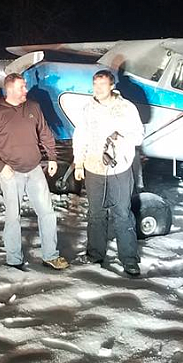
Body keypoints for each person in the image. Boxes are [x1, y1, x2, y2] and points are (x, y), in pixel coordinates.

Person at [0, 72, 69, 270]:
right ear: (10, 89)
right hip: (11, 173)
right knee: (13, 217)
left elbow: (45, 133)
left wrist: (52, 157)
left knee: (47, 213)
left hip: (35, 169)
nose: (26, 90)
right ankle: (14, 260)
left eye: (25, 86)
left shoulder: (33, 107)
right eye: (22, 87)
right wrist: (1, 166)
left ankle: (50, 255)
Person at [73, 70, 144, 276]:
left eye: (102, 84)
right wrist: (79, 163)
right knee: (96, 213)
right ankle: (95, 254)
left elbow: (139, 135)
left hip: (119, 168)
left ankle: (129, 259)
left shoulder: (126, 108)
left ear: (112, 86)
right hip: (94, 167)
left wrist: (120, 138)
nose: (98, 89)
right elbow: (80, 137)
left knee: (122, 214)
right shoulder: (87, 109)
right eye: (95, 84)